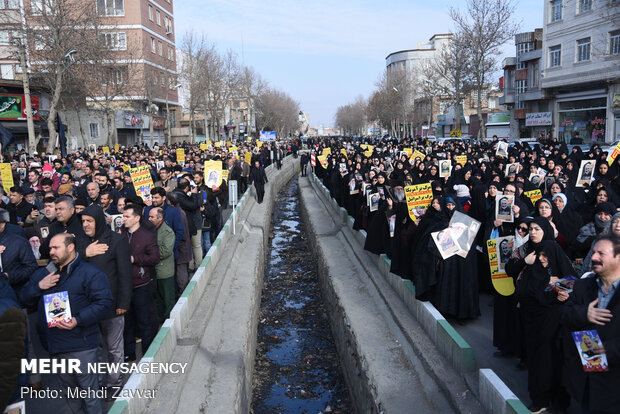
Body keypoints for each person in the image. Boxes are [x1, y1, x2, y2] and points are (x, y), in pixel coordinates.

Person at [20, 233, 114, 414]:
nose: (51, 251)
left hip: (82, 345)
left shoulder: (90, 273)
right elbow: (23, 299)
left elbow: (104, 303)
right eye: (50, 248)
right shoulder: (43, 274)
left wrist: (78, 320)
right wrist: (39, 287)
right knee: (71, 396)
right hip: (55, 346)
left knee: (90, 396)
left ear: (70, 247)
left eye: (56, 248)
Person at [505, 217, 574, 412]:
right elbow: (523, 285)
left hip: (553, 318)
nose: (533, 232)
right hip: (532, 317)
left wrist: (561, 292)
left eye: (537, 229)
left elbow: (570, 279)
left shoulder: (552, 249)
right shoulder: (526, 252)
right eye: (531, 229)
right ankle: (540, 399)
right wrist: (526, 264)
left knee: (556, 359)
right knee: (538, 360)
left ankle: (559, 400)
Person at [561, 235, 620, 413]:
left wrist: (607, 349)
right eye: (593, 252)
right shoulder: (582, 286)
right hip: (586, 379)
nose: (593, 257)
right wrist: (583, 314)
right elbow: (563, 314)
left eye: (601, 254)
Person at [77, 203, 132, 390]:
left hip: (112, 306)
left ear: (99, 221)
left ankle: (114, 383)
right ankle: (98, 383)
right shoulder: (79, 243)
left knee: (114, 349)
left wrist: (123, 303)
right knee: (95, 349)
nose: (85, 224)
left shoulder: (117, 241)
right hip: (87, 308)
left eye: (89, 221)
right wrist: (85, 253)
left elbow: (125, 274)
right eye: (83, 221)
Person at [121, 204, 159, 360]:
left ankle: (147, 353)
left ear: (137, 218)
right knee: (127, 322)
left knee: (144, 321)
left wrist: (134, 259)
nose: (123, 219)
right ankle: (129, 352)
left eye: (127, 216)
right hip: (124, 285)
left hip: (141, 285)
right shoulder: (120, 234)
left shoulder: (146, 235)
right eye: (123, 216)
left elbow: (154, 257)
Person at [148, 207, 175, 321]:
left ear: (160, 218)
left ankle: (169, 321)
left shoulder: (167, 232)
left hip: (164, 272)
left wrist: (149, 255)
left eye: (152, 217)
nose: (149, 219)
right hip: (153, 272)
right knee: (156, 299)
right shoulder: (149, 230)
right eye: (149, 216)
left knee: (167, 298)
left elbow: (166, 251)